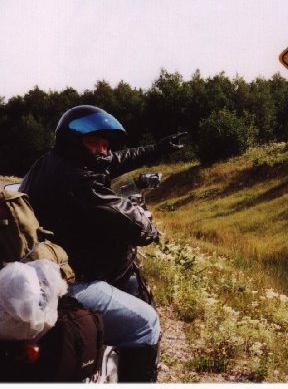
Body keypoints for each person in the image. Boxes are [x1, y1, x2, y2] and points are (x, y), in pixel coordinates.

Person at [19, 105, 185, 382]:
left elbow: (112, 160)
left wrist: (157, 149)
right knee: (146, 323)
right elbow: (133, 225)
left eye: (104, 144)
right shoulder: (81, 182)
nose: (101, 150)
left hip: (45, 272)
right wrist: (147, 226)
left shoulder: (51, 162)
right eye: (93, 142)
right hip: (74, 282)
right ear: (74, 142)